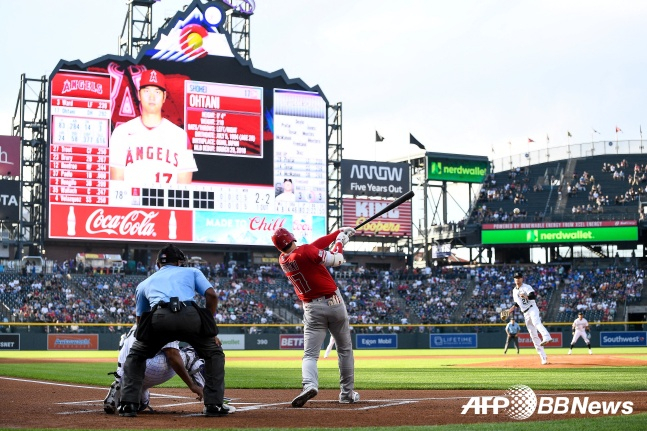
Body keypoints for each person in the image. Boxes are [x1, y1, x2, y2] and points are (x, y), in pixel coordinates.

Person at [118, 244, 234, 417]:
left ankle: (128, 404)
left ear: (158, 264)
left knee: (135, 357)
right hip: (190, 315)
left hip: (159, 318)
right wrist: (208, 326)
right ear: (180, 262)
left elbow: (140, 318)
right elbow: (212, 295)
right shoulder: (192, 271)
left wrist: (143, 344)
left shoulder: (144, 283)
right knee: (214, 354)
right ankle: (214, 405)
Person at [271, 226, 359, 407]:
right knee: (344, 350)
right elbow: (338, 260)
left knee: (310, 354)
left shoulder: (283, 259)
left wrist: (337, 233)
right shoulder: (305, 252)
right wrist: (340, 242)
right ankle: (346, 394)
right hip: (334, 303)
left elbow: (312, 247)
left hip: (311, 308)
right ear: (292, 237)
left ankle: (309, 385)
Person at [109, 69, 198, 184]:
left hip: (167, 201)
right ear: (139, 94)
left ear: (164, 96)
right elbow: (117, 184)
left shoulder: (179, 136)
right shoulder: (121, 133)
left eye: (157, 92)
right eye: (146, 91)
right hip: (131, 201)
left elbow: (184, 188)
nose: (151, 97)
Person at [103, 324, 209, 414]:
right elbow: (173, 356)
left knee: (142, 403)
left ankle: (122, 389)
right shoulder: (167, 317)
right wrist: (192, 385)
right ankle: (208, 396)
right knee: (191, 352)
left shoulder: (139, 319)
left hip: (126, 372)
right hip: (147, 367)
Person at [504, 272, 552, 365]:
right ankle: (543, 357)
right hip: (525, 313)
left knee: (536, 322)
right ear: (514, 280)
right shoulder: (514, 291)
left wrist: (526, 296)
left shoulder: (526, 287)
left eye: (519, 277)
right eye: (516, 278)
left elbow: (533, 296)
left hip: (532, 308)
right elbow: (517, 303)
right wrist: (510, 310)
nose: (517, 279)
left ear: (522, 279)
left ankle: (546, 337)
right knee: (533, 336)